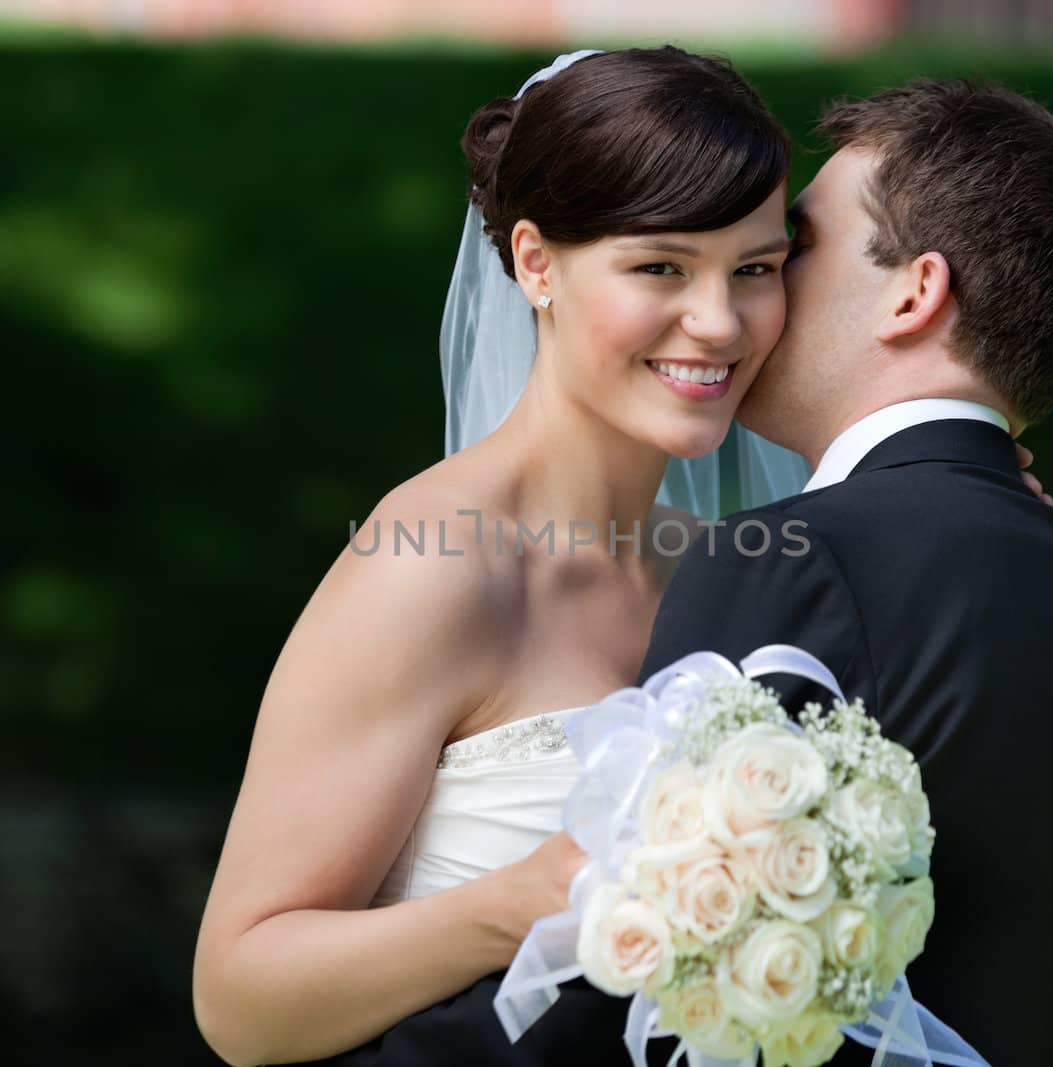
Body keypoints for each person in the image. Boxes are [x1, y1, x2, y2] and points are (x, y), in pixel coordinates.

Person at [312, 77, 1053, 1067]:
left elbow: (643, 981)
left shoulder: (798, 560)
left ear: (914, 292)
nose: (732, 308)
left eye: (787, 250)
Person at [191, 45, 802, 1067]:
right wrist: (516, 903)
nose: (719, 320)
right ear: (534, 262)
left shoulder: (725, 566)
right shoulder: (430, 566)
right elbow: (241, 995)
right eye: (659, 265)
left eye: (756, 268)